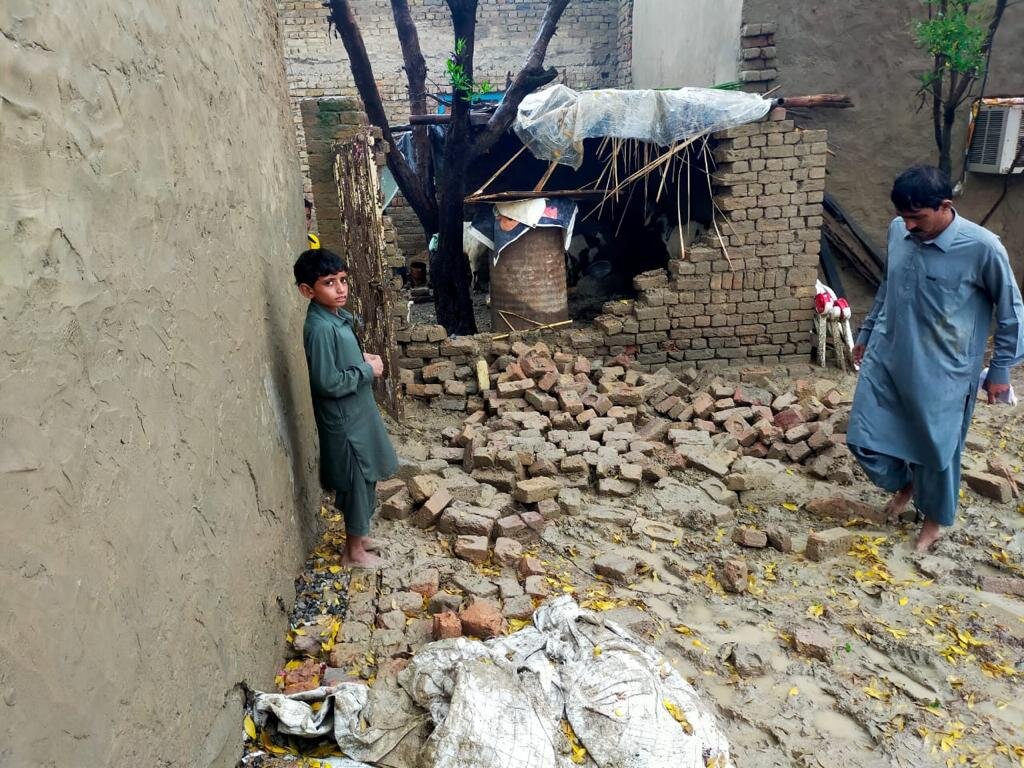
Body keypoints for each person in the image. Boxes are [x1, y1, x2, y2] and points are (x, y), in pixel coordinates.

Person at [847, 166, 1024, 553]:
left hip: (944, 370)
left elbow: (1011, 311)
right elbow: (889, 286)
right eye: (904, 216)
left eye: (917, 217)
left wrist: (1000, 371)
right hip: (887, 357)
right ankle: (907, 482)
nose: (908, 225)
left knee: (938, 452)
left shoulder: (983, 247)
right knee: (863, 439)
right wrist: (866, 332)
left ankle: (933, 520)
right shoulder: (900, 231)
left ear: (945, 206)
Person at [293, 247, 398, 567]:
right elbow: (326, 382)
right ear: (307, 291)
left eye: (342, 280)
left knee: (367, 477)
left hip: (358, 411)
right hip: (345, 420)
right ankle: (352, 552)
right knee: (355, 478)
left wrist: (360, 359)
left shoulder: (335, 317)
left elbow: (341, 360)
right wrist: (368, 371)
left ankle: (360, 535)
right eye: (329, 283)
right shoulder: (321, 328)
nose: (340, 289)